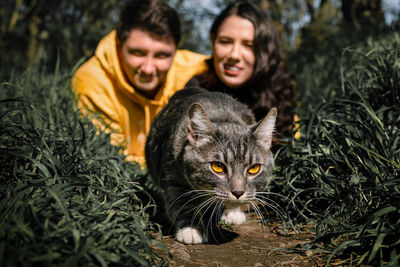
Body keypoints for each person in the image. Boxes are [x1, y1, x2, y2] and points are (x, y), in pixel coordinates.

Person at [72, 0, 208, 165]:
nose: (148, 69)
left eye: (162, 55)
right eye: (138, 53)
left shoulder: (191, 67)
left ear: (176, 49)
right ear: (119, 46)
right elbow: (110, 160)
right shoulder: (93, 81)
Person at [186, 1, 297, 140]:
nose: (234, 55)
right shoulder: (194, 91)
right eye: (225, 41)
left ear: (265, 52)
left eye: (248, 45)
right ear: (213, 42)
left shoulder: (280, 100)